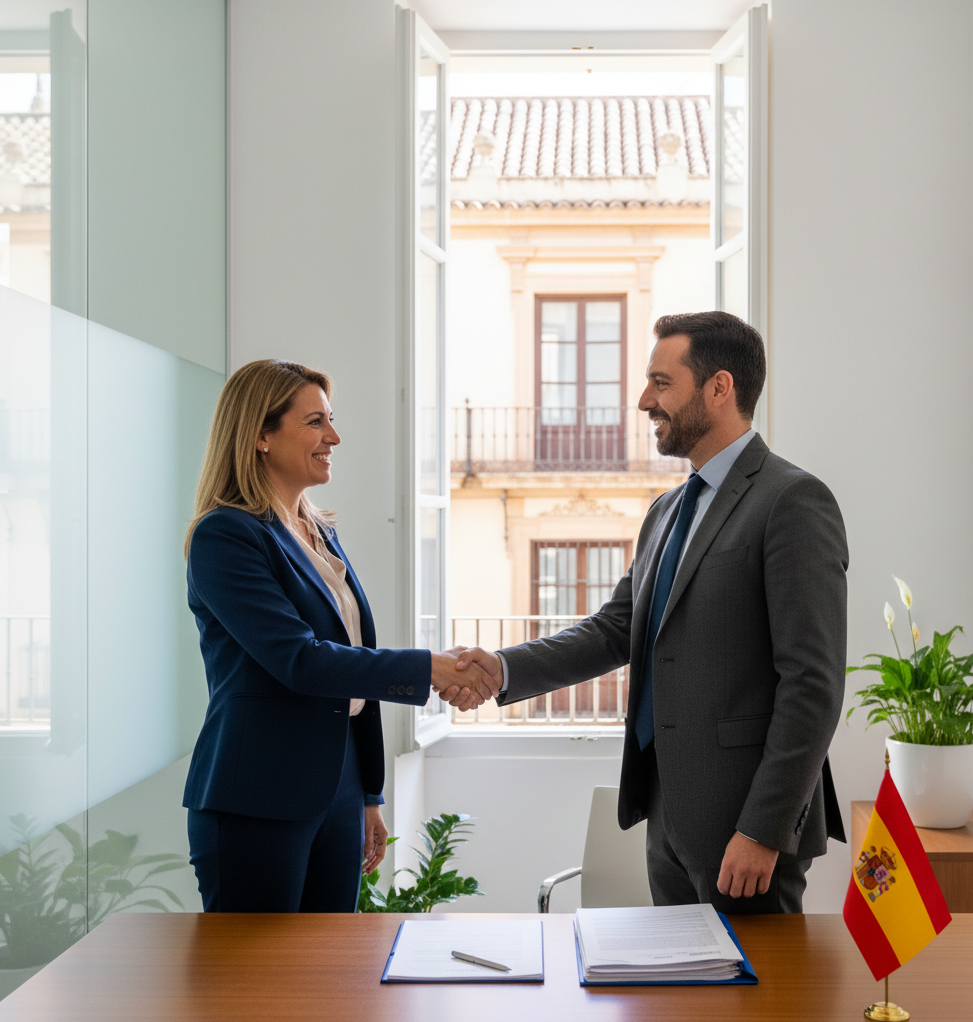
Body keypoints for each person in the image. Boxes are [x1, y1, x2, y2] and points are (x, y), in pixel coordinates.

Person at [454, 311, 847, 914]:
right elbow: (615, 629)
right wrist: (503, 668)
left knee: (757, 1005)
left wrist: (764, 829)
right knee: (681, 1005)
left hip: (745, 826)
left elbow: (813, 685)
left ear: (720, 388)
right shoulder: (666, 511)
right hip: (667, 814)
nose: (644, 400)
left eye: (661, 383)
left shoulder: (791, 500)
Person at [182, 359, 494, 913]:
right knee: (257, 982)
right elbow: (300, 661)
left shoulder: (317, 531)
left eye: (331, 419)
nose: (334, 437)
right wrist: (429, 669)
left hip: (339, 786)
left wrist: (367, 794)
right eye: (314, 422)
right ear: (259, 434)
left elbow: (351, 660)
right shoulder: (225, 535)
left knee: (329, 979)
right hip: (259, 793)